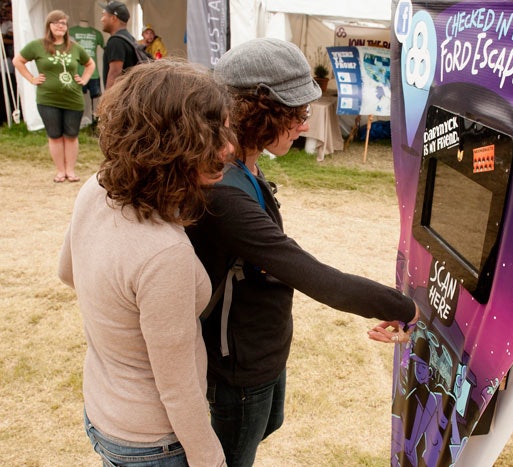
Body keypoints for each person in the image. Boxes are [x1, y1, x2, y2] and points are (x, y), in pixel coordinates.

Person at [185, 37, 420, 467]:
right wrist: (405, 307)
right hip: (238, 359)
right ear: (255, 113)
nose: (304, 126)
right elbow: (313, 275)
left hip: (263, 344)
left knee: (267, 425)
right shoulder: (222, 191)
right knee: (232, 456)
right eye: (295, 114)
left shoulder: (243, 163)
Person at [57, 59, 234, 466]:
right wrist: (211, 459)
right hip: (153, 442)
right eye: (215, 134)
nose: (229, 147)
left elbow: (67, 272)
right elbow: (178, 387)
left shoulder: (97, 187)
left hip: (104, 413)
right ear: (174, 144)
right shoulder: (164, 253)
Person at [12, 10, 95, 183]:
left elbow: (90, 64)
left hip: (73, 99)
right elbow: (17, 61)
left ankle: (70, 171)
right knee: (55, 135)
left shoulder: (74, 47)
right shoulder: (37, 46)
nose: (60, 26)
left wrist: (84, 79)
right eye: (56, 22)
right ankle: (60, 171)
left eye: (63, 23)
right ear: (49, 25)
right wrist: (32, 79)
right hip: (48, 99)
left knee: (71, 135)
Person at [69, 19, 104, 125]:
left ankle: (96, 122)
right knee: (77, 98)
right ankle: (77, 121)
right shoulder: (71, 32)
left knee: (96, 99)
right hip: (78, 73)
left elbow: (104, 47)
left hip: (94, 73)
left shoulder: (97, 34)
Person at [99, 1, 137, 89]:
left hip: (120, 95)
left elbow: (114, 74)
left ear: (113, 18)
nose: (102, 19)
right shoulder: (130, 39)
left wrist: (108, 96)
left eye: (104, 15)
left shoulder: (116, 41)